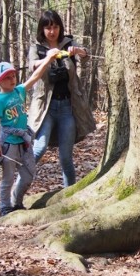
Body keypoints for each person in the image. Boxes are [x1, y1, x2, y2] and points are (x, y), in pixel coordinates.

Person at [26, 10, 96, 188]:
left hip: (67, 107)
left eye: (55, 27)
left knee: (66, 156)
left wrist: (78, 51)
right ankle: (16, 192)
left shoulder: (68, 43)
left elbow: (86, 56)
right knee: (39, 149)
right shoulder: (37, 47)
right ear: (42, 29)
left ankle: (68, 195)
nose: (52, 31)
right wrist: (48, 58)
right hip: (45, 108)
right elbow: (32, 65)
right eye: (48, 27)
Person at [0, 55, 58, 217]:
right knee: (8, 178)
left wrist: (48, 60)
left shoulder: (19, 91)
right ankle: (5, 207)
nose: (11, 80)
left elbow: (35, 77)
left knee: (28, 174)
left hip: (24, 141)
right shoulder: (0, 100)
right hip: (8, 143)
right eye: (6, 78)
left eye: (13, 76)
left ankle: (17, 201)